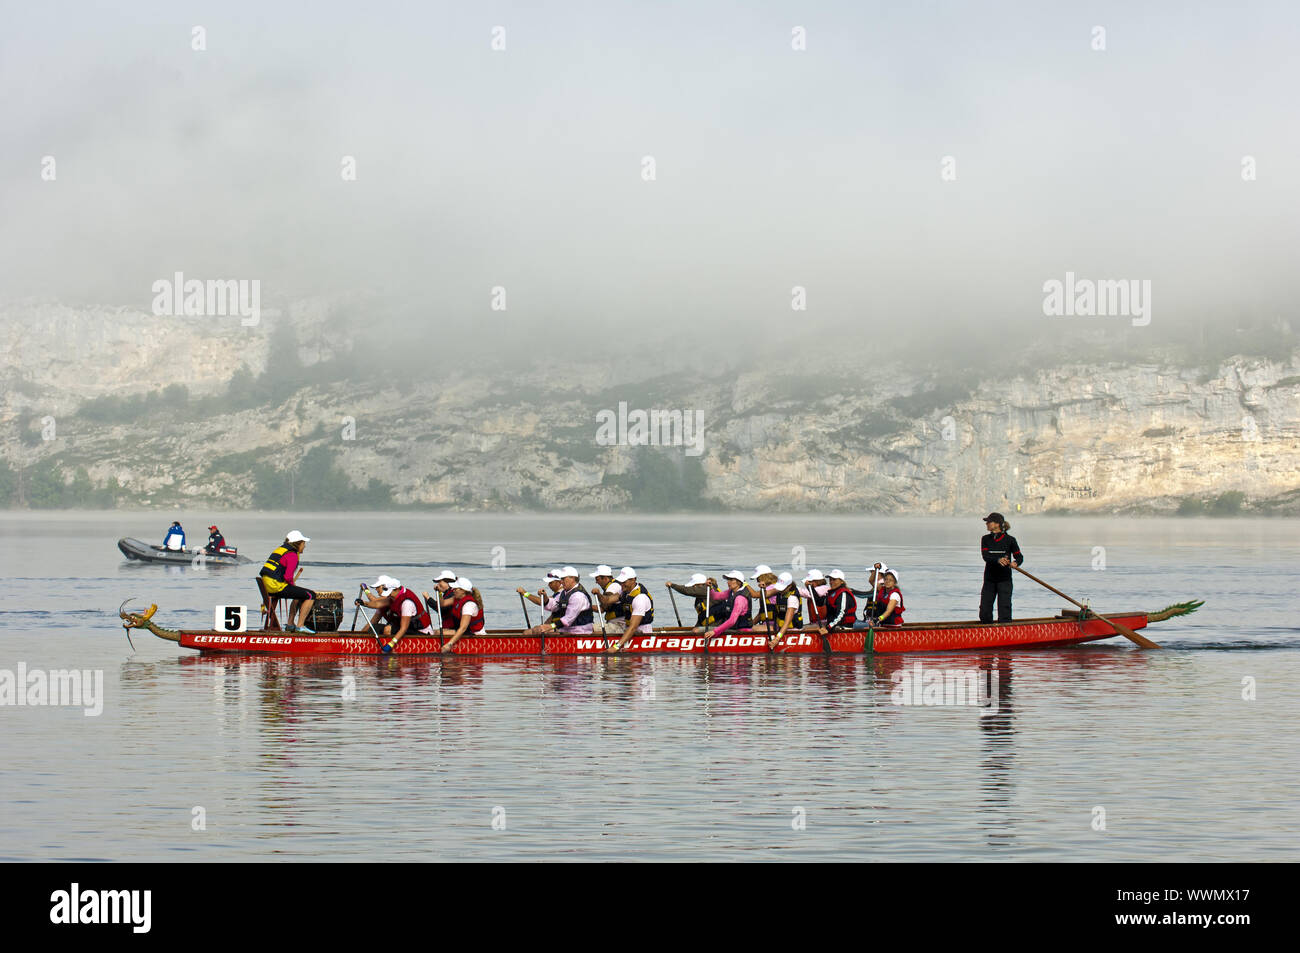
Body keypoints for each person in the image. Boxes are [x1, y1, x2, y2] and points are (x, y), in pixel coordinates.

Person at [259, 530, 316, 632]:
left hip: (266, 586)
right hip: (277, 587)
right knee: (311, 595)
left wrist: (293, 587)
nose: (304, 546)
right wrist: (292, 585)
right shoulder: (292, 555)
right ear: (298, 543)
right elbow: (288, 577)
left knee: (298, 594)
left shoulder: (280, 549)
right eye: (303, 543)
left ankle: (290, 624)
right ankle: (300, 626)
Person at [980, 512, 1023, 622]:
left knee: (1004, 609)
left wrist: (1015, 563)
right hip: (989, 580)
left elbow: (1019, 557)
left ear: (997, 524)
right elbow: (986, 557)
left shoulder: (1010, 540)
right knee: (985, 610)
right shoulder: (985, 539)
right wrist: (998, 560)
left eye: (989, 522)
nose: (987, 524)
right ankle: (986, 630)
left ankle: (1005, 630)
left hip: (1004, 580)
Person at [526, 567, 593, 635]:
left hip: (580, 631)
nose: (561, 581)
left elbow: (568, 619)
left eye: (563, 579)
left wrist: (549, 626)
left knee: (533, 632)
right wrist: (545, 597)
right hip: (566, 629)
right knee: (535, 630)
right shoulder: (564, 593)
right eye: (561, 579)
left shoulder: (578, 596)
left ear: (572, 578)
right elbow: (552, 606)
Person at [609, 568, 655, 651]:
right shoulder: (625, 591)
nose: (621, 585)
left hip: (642, 634)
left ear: (633, 580)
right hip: (630, 631)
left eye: (624, 582)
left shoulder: (640, 598)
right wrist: (598, 594)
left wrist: (615, 647)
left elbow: (633, 627)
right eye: (621, 582)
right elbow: (608, 600)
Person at [704, 571, 752, 641]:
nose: (728, 582)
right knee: (696, 630)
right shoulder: (731, 592)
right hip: (733, 628)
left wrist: (714, 632)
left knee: (697, 630)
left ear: (739, 582)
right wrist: (710, 588)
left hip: (742, 631)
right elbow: (715, 596)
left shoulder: (740, 599)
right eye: (728, 580)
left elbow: (732, 621)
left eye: (731, 580)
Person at [441, 577, 486, 652]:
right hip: (466, 631)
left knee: (440, 632)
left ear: (463, 591)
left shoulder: (469, 605)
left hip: (474, 634)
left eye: (456, 589)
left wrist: (449, 644)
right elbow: (442, 603)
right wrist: (439, 592)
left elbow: (463, 628)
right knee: (437, 632)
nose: (453, 590)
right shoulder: (456, 599)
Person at [766, 571, 805, 648]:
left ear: (789, 586)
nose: (780, 590)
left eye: (782, 587)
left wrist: (777, 639)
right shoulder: (781, 592)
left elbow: (787, 623)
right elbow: (761, 594)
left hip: (791, 629)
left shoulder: (792, 599)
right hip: (780, 627)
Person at [819, 570, 858, 634]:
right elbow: (819, 603)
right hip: (834, 625)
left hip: (844, 627)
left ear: (841, 581)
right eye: (830, 579)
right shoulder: (831, 593)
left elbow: (841, 614)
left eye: (834, 580)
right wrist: (810, 588)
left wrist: (828, 628)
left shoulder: (843, 594)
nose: (831, 582)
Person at [589, 565, 623, 631]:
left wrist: (585, 606)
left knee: (588, 628)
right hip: (613, 623)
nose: (596, 582)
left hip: (618, 625)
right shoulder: (611, 586)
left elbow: (602, 608)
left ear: (605, 578)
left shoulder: (613, 587)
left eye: (597, 579)